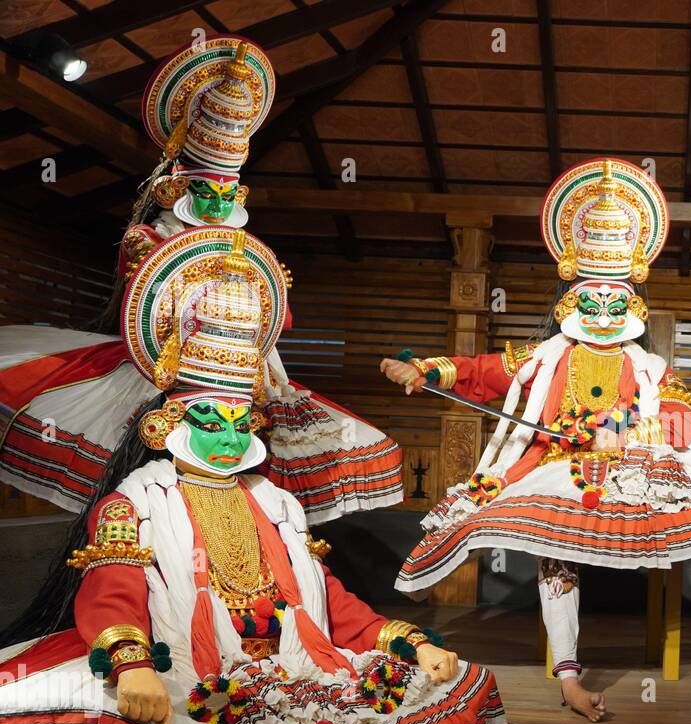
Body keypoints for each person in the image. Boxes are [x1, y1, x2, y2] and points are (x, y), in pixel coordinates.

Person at [0, 229, 505, 724]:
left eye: (242, 422)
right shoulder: (134, 502)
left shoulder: (277, 502)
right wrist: (134, 668)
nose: (230, 436)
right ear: (167, 426)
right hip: (185, 666)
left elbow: (330, 602)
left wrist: (407, 641)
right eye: (212, 420)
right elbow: (113, 596)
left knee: (460, 685)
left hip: (296, 662)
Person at [382, 159, 691, 720]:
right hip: (554, 470)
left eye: (616, 302)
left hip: (636, 475)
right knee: (549, 555)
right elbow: (482, 372)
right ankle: (567, 674)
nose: (604, 313)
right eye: (593, 302)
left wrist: (644, 426)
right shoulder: (544, 357)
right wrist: (424, 371)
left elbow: (683, 412)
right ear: (571, 304)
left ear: (633, 306)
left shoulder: (650, 367)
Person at [0, 34, 403, 524]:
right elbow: (144, 309)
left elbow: (278, 319)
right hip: (174, 369)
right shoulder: (151, 237)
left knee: (268, 454)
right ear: (177, 188)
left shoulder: (249, 249)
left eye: (227, 191)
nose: (217, 202)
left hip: (246, 372)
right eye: (205, 190)